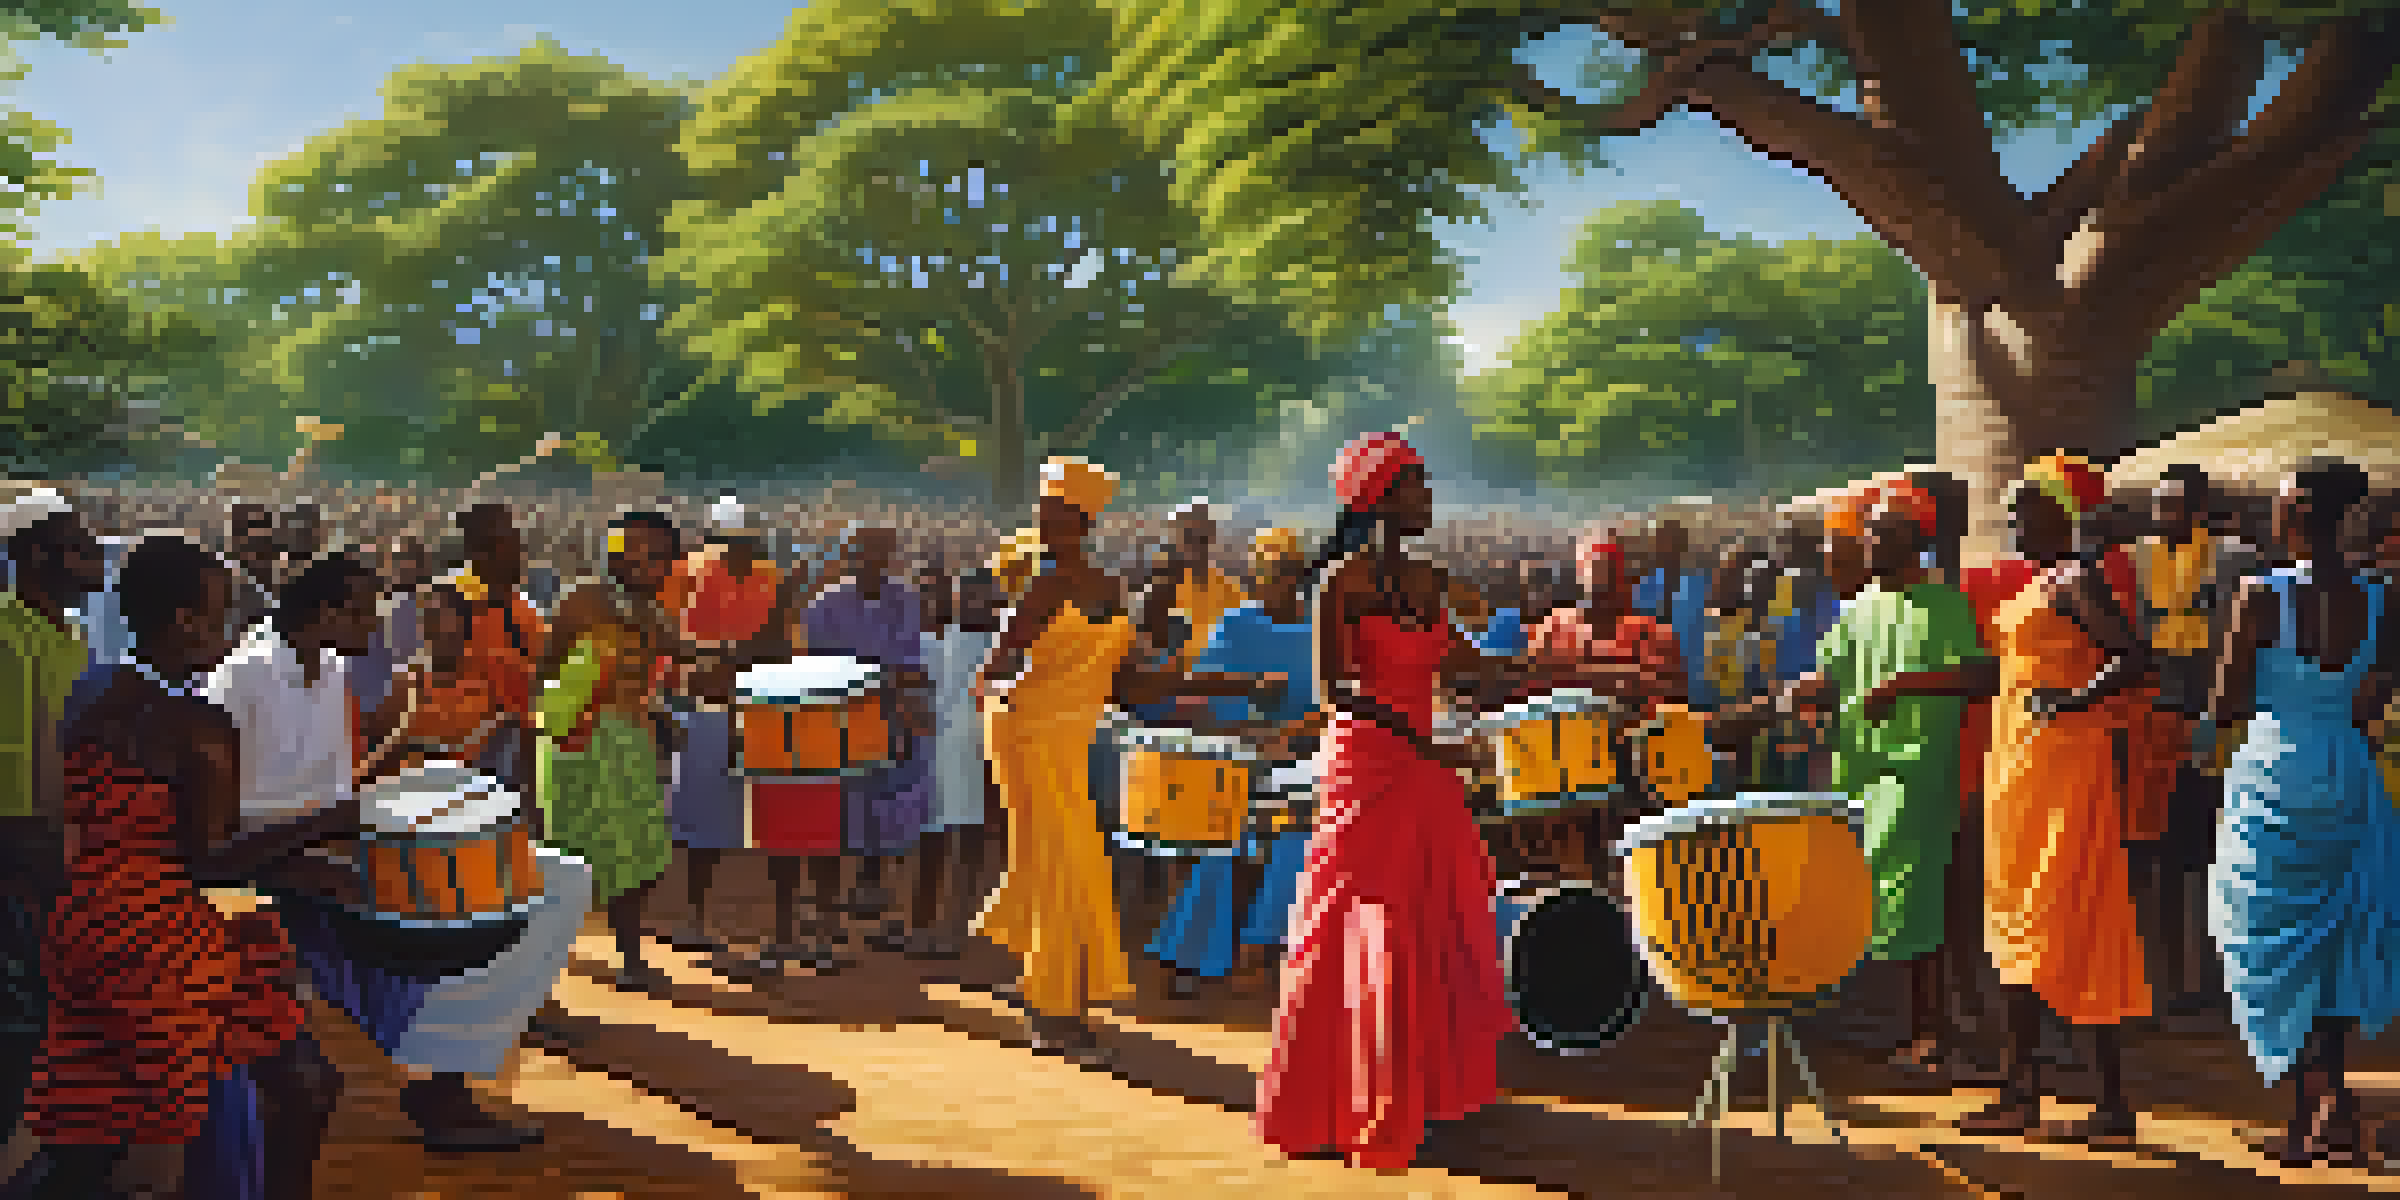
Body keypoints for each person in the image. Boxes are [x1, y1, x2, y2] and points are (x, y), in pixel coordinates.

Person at [9, 537, 342, 1200]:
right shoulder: (199, 726)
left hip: (81, 927)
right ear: (186, 622)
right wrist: (334, 821)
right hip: (158, 943)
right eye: (222, 615)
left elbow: (87, 821)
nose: (230, 630)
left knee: (87, 1131)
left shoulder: (90, 691)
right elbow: (209, 861)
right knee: (301, 1081)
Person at [209, 552, 549, 1153]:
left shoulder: (332, 668)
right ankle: (440, 1090)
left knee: (544, 882)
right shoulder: (244, 677)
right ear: (327, 611)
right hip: (267, 870)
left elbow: (341, 794)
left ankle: (441, 1076)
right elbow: (228, 825)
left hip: (329, 849)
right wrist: (325, 853)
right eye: (367, 610)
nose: (380, 623)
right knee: (457, 907)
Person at [1257, 432, 1523, 1172]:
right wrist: (1420, 737)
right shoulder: (1339, 581)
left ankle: (1416, 1093)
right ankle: (1340, 1101)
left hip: (1424, 772)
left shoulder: (1434, 582)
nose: (1429, 500)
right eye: (1416, 488)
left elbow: (1474, 669)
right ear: (1377, 498)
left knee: (1436, 920)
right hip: (1366, 770)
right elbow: (1333, 689)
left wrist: (1568, 670)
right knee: (1350, 927)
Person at [970, 458, 1279, 1061]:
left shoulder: (1104, 584)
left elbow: (1129, 686)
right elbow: (996, 668)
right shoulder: (1044, 580)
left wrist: (1230, 684)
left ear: (1082, 519)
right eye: (1042, 507)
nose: (1042, 517)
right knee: (1069, 866)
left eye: (1056, 509)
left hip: (1069, 738)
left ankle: (1047, 987)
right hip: (1030, 736)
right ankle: (1054, 1012)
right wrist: (1025, 671)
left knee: (1064, 865)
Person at [1885, 451, 2151, 1143]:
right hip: (2021, 773)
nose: (2011, 522)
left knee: (2072, 923)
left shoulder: (2073, 579)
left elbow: (2132, 657)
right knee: (2015, 926)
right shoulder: (2039, 584)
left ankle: (2101, 1102)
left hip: (2066, 774)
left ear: (2061, 513)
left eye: (2023, 509)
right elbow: (2004, 675)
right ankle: (2023, 1090)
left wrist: (2072, 699)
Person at [2208, 458, 2400, 1167]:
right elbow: (2376, 690)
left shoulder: (2259, 595)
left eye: (2283, 507)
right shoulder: (2378, 597)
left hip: (2274, 778)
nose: (2273, 517)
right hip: (2347, 774)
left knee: (2269, 945)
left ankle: (2311, 1111)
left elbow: (2227, 704)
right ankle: (2334, 1107)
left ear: (2300, 516)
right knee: (2337, 943)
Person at [1771, 484, 1987, 1075]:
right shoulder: (1861, 602)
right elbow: (1832, 667)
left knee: (1913, 899)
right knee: (1876, 894)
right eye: (1868, 534)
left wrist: (1906, 685)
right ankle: (1911, 1025)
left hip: (1917, 768)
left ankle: (1932, 1031)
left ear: (1915, 541)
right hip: (1860, 769)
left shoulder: (1943, 603)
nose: (1867, 544)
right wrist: (1801, 689)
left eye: (1882, 535)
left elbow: (1979, 675)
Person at [1147, 528, 1321, 994]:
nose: (1272, 582)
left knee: (1297, 840)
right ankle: (1196, 958)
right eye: (1266, 573)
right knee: (1230, 847)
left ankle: (1272, 952)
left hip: (1315, 762)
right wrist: (1257, 719)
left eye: (1283, 573)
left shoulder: (1324, 630)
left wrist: (1302, 732)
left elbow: (1339, 702)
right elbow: (1198, 692)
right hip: (1249, 762)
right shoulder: (1238, 624)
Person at [536, 512, 680, 994]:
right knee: (570, 858)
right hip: (577, 747)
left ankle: (630, 957)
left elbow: (664, 675)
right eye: (637, 550)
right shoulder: (582, 600)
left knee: (638, 857)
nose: (647, 562)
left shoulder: (656, 616)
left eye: (658, 555)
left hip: (632, 745)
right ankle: (548, 971)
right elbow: (547, 674)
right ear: (615, 551)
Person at [0, 492, 104, 1156]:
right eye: (80, 547)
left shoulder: (75, 636)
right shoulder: (7, 639)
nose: (96, 559)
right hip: (28, 882)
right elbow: (13, 794)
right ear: (37, 554)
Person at [2130, 465, 2253, 1017]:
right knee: (2152, 857)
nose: (2164, 514)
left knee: (2211, 855)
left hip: (2212, 722)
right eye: (2159, 504)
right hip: (2148, 722)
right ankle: (2158, 980)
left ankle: (2210, 977)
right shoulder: (2132, 562)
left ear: (2202, 508)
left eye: (2176, 505)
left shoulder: (2234, 560)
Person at [798, 525, 937, 958]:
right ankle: (828, 907)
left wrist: (878, 676)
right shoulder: (825, 605)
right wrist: (883, 674)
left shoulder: (907, 600)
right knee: (839, 806)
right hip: (839, 716)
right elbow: (823, 668)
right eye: (864, 552)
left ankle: (869, 882)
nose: (873, 561)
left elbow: (914, 666)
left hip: (891, 714)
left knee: (881, 797)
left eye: (881, 552)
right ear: (848, 556)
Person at [659, 503, 786, 957]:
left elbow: (782, 645)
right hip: (705, 708)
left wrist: (731, 655)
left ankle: (781, 929)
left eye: (750, 541)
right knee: (700, 825)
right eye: (736, 541)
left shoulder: (773, 579)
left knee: (772, 820)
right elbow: (668, 636)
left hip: (759, 708)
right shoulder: (687, 573)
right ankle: (695, 918)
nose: (744, 549)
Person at [1520, 537, 1685, 882]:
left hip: (1637, 762)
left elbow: (1664, 693)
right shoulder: (1554, 629)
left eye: (1612, 575)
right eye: (1595, 573)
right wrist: (1616, 679)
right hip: (1564, 763)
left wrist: (1592, 678)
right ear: (1580, 574)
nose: (1602, 585)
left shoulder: (1652, 633)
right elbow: (1531, 687)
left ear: (1625, 579)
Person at [915, 568, 1005, 959]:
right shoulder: (930, 642)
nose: (971, 603)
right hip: (935, 753)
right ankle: (921, 924)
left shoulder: (1004, 647)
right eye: (964, 595)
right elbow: (918, 692)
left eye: (980, 596)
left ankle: (956, 927)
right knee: (931, 841)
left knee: (968, 839)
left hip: (978, 753)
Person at [1631, 517, 1711, 707]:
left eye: (1674, 542)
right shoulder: (1644, 587)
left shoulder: (1701, 585)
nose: (1669, 548)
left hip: (1695, 677)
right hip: (1653, 679)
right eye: (1664, 542)